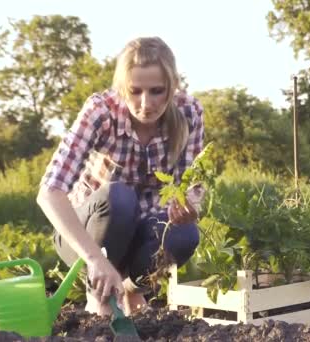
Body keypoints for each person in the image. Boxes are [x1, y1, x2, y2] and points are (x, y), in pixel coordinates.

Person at [37, 37, 203, 316]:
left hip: (142, 232)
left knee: (186, 234)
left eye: (157, 91)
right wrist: (94, 259)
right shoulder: (101, 112)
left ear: (172, 87)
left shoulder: (189, 112)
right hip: (87, 235)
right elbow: (49, 192)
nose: (145, 103)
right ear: (122, 87)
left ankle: (132, 288)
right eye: (135, 91)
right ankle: (100, 296)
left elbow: (191, 186)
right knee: (120, 197)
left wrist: (189, 207)